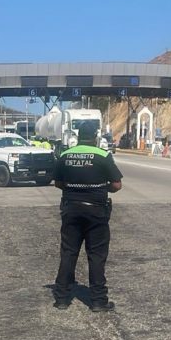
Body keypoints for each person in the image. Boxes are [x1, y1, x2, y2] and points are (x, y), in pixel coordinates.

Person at [52, 121, 123, 312]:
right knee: (96, 256)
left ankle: (61, 298)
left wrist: (75, 189)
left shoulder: (65, 155)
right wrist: (100, 188)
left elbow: (58, 182)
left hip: (71, 210)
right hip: (96, 211)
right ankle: (99, 301)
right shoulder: (102, 155)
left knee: (68, 253)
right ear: (95, 137)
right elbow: (116, 185)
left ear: (78, 135)